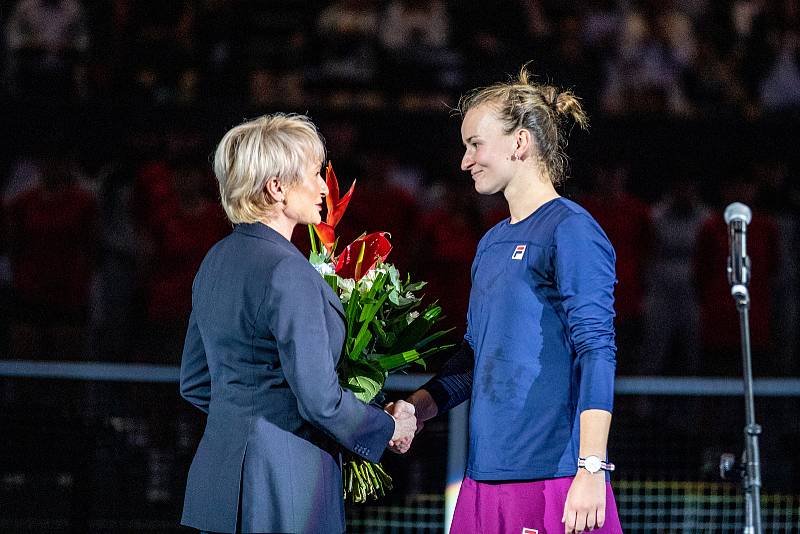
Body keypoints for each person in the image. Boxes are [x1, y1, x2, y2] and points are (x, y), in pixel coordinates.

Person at [389, 66, 623, 533]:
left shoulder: (570, 229)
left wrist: (591, 469)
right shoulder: (491, 243)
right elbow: (475, 361)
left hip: (554, 482)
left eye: (475, 144)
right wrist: (418, 406)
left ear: (520, 143)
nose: (464, 161)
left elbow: (597, 349)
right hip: (482, 482)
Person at [179, 113, 417, 534]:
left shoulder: (214, 260)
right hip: (286, 489)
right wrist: (386, 425)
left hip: (216, 487)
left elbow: (196, 383)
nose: (326, 186)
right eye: (313, 174)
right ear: (276, 188)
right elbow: (319, 401)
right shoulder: (289, 272)